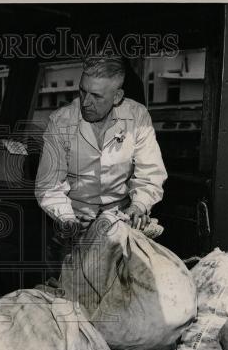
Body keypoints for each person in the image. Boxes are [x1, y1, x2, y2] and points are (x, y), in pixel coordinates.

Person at [35, 55, 167, 266]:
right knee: (66, 295)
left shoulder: (138, 117)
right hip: (72, 227)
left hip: (120, 226)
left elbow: (150, 173)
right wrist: (68, 219)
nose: (86, 103)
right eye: (82, 91)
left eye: (96, 96)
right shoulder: (60, 122)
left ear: (117, 97)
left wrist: (139, 205)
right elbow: (48, 186)